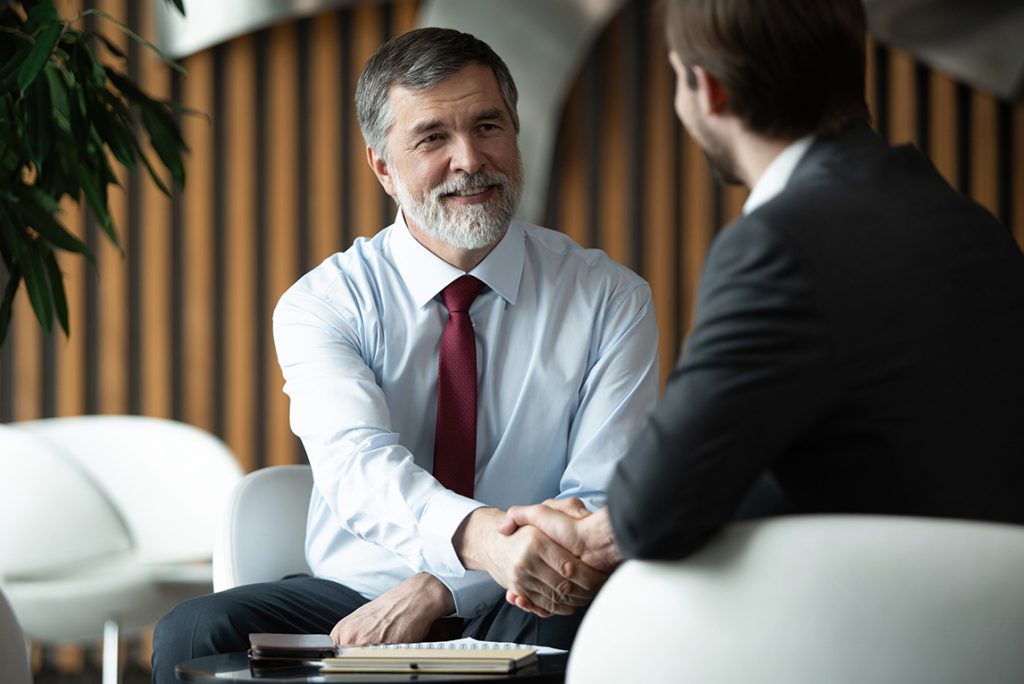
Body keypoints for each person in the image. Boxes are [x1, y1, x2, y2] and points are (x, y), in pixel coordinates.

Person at [150, 26, 658, 682]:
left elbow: (597, 501)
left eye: (488, 126)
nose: (470, 159)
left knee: (594, 612)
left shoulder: (609, 298)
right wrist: (473, 547)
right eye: (433, 138)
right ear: (383, 166)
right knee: (193, 632)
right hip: (354, 600)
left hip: (526, 594)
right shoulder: (323, 303)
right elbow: (361, 470)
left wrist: (443, 587)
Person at [501, 0, 1024, 603]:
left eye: (678, 76)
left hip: (889, 625)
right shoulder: (963, 217)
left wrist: (580, 538)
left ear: (709, 89)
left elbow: (654, 511)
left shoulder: (782, 243)